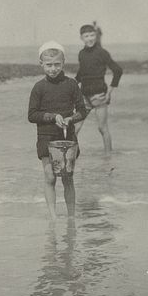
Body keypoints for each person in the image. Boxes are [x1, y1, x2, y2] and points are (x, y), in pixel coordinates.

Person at [28, 41, 87, 220]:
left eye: (57, 65)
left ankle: (71, 218)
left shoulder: (71, 85)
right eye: (49, 65)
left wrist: (71, 119)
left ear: (63, 63)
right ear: (41, 64)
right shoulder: (39, 87)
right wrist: (53, 117)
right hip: (45, 137)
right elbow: (31, 115)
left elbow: (82, 111)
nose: (53, 69)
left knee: (67, 178)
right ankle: (53, 218)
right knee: (50, 177)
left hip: (67, 137)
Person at [75, 23, 123, 155]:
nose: (90, 38)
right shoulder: (81, 54)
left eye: (92, 35)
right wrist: (71, 86)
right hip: (84, 96)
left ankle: (108, 158)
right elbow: (81, 73)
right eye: (86, 36)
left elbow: (118, 70)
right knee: (75, 128)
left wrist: (110, 91)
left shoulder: (102, 53)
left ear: (96, 36)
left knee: (102, 128)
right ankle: (71, 157)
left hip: (99, 95)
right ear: (81, 38)